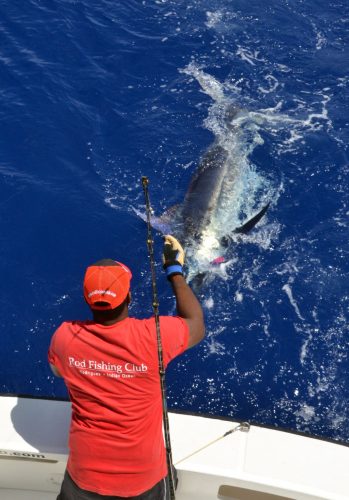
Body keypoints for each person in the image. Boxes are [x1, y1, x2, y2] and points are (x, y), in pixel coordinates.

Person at [48, 235, 205, 500]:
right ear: (129, 297)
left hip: (84, 476)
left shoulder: (64, 337)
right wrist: (175, 271)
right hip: (143, 478)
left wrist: (96, 369)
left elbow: (58, 371)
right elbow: (196, 325)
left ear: (88, 300)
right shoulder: (156, 335)